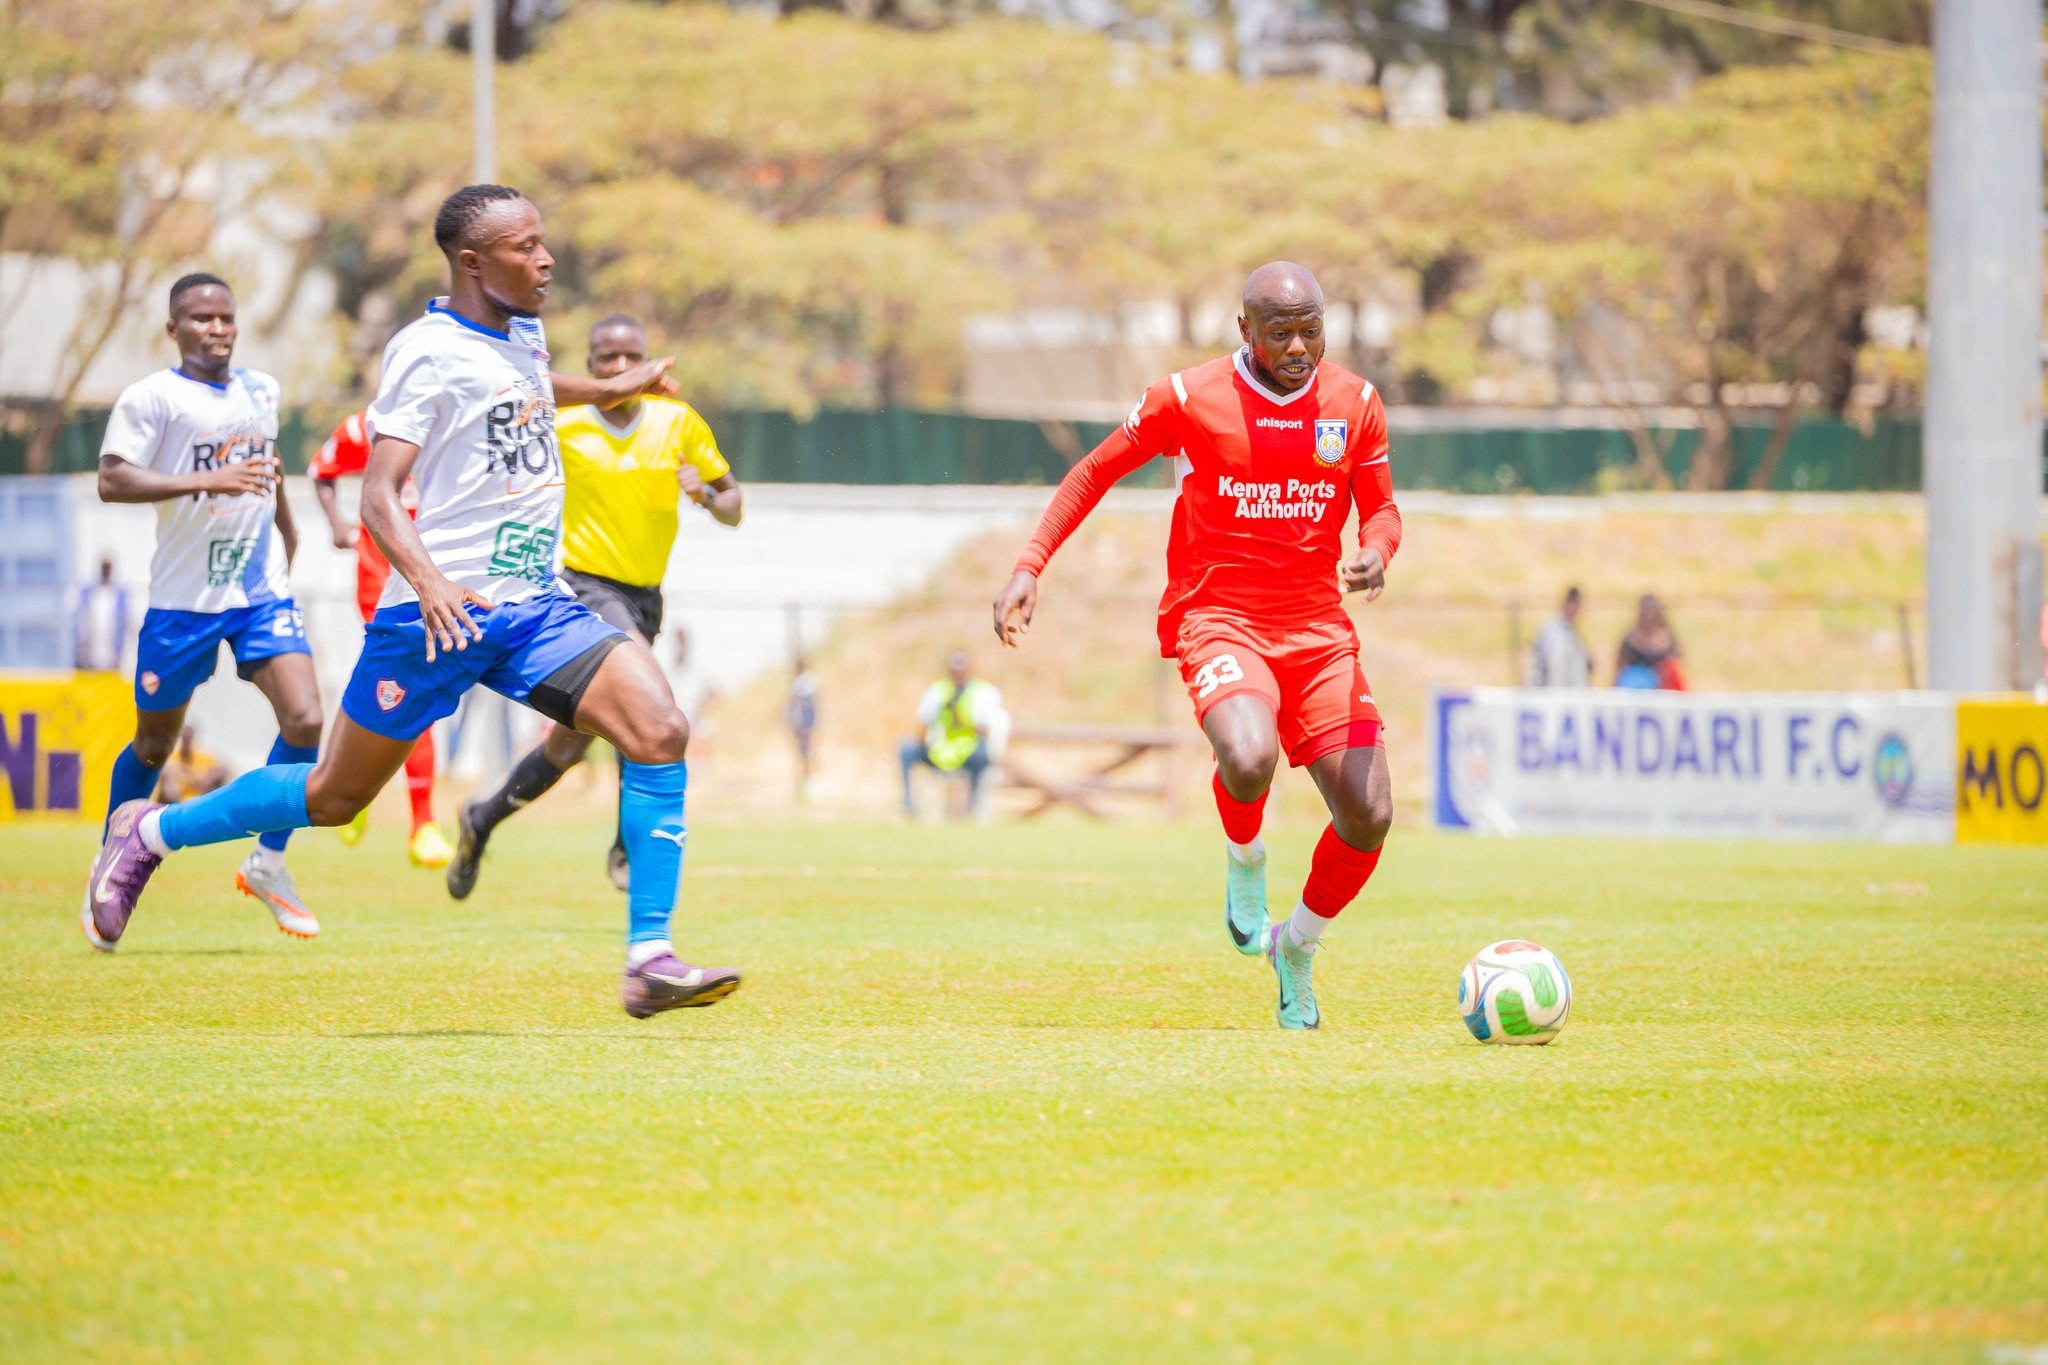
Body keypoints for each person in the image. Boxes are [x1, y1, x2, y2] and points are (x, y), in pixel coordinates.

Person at [82, 183, 740, 1019]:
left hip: (535, 607)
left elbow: (532, 386)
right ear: (472, 262)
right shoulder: (426, 350)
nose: (546, 260)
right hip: (437, 616)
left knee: (660, 728)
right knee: (331, 797)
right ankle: (146, 833)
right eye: (526, 247)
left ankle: (649, 958)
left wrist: (609, 391)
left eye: (544, 243)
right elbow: (380, 495)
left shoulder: (525, 332)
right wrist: (428, 584)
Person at [993, 261, 1400, 1030]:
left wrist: (1378, 551)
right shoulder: (1188, 398)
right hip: (1220, 616)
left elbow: (1381, 511)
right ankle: (1245, 861)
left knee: (1369, 812)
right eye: (1280, 333)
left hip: (1317, 631)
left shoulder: (1357, 403)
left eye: (1311, 330)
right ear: (1244, 330)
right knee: (1248, 758)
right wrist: (1029, 564)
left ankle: (1298, 947)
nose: (1299, 348)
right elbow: (1092, 472)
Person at [446, 312, 743, 899]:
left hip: (645, 599)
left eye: (630, 356)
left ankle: (481, 819)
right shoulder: (565, 425)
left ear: (647, 360)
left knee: (570, 745)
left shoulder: (677, 422)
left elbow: (734, 504)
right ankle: (627, 849)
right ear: (590, 368)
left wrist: (706, 494)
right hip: (585, 589)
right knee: (648, 707)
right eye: (606, 359)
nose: (619, 367)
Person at [90, 271, 324, 943]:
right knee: (155, 742)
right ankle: (117, 853)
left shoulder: (262, 389)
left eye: (226, 317)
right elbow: (112, 478)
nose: (217, 329)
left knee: (306, 719)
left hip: (256, 592)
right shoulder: (152, 398)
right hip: (183, 602)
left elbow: (266, 460)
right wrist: (207, 478)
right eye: (201, 319)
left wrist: (288, 527)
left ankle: (269, 860)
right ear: (174, 329)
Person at [309, 409, 455, 868]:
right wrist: (337, 525)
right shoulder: (364, 426)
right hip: (380, 582)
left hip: (443, 581)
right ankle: (412, 818)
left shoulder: (457, 418)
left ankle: (360, 794)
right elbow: (321, 471)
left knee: (411, 689)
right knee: (403, 686)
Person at [899, 651, 1005, 818]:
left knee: (982, 755)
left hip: (968, 751)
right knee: (906, 749)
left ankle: (973, 807)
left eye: (962, 669)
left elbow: (987, 731)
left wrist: (961, 718)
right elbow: (922, 725)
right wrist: (926, 740)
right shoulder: (938, 691)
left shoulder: (982, 692)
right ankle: (909, 804)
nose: (958, 674)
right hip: (940, 751)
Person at [1524, 585, 1591, 687]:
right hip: (1552, 696)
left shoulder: (1572, 633)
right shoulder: (1553, 631)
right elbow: (1555, 667)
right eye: (1573, 604)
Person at [72, 556, 130, 672]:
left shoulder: (119, 594)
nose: (106, 570)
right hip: (87, 656)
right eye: (104, 567)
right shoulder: (88, 592)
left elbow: (127, 624)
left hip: (113, 657)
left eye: (108, 567)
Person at [1616, 594, 1686, 690]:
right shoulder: (1632, 636)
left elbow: (1677, 659)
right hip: (1634, 682)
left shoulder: (1667, 637)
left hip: (1661, 684)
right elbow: (1620, 662)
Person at [155, 726, 230, 802]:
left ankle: (226, 804)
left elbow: (222, 771)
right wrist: (194, 777)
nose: (187, 742)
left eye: (189, 738)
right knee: (166, 771)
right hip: (177, 798)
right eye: (184, 739)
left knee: (221, 771)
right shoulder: (172, 756)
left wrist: (202, 780)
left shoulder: (204, 757)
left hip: (201, 796)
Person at [787, 656, 819, 801]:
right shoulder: (802, 682)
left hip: (804, 725)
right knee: (802, 755)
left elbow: (807, 706)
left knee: (806, 755)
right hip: (801, 725)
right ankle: (803, 785)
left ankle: (809, 785)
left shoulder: (805, 683)